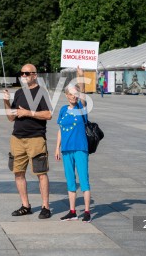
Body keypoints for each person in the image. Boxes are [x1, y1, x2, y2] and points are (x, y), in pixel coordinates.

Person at [3, 64, 52, 219]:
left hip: (36, 138)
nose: (24, 75)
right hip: (17, 137)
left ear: (34, 75)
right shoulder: (18, 93)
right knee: (18, 173)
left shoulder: (41, 92)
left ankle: (45, 207)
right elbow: (11, 117)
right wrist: (6, 102)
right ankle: (25, 205)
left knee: (41, 173)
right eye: (22, 73)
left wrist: (28, 113)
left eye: (27, 73)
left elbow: (48, 114)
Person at [55, 66, 92, 223]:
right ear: (66, 95)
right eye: (70, 94)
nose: (73, 97)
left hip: (80, 149)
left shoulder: (81, 108)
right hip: (66, 149)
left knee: (84, 179)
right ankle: (72, 211)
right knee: (70, 180)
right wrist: (57, 147)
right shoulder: (63, 110)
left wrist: (81, 77)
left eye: (75, 94)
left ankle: (87, 212)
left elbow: (83, 95)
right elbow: (60, 130)